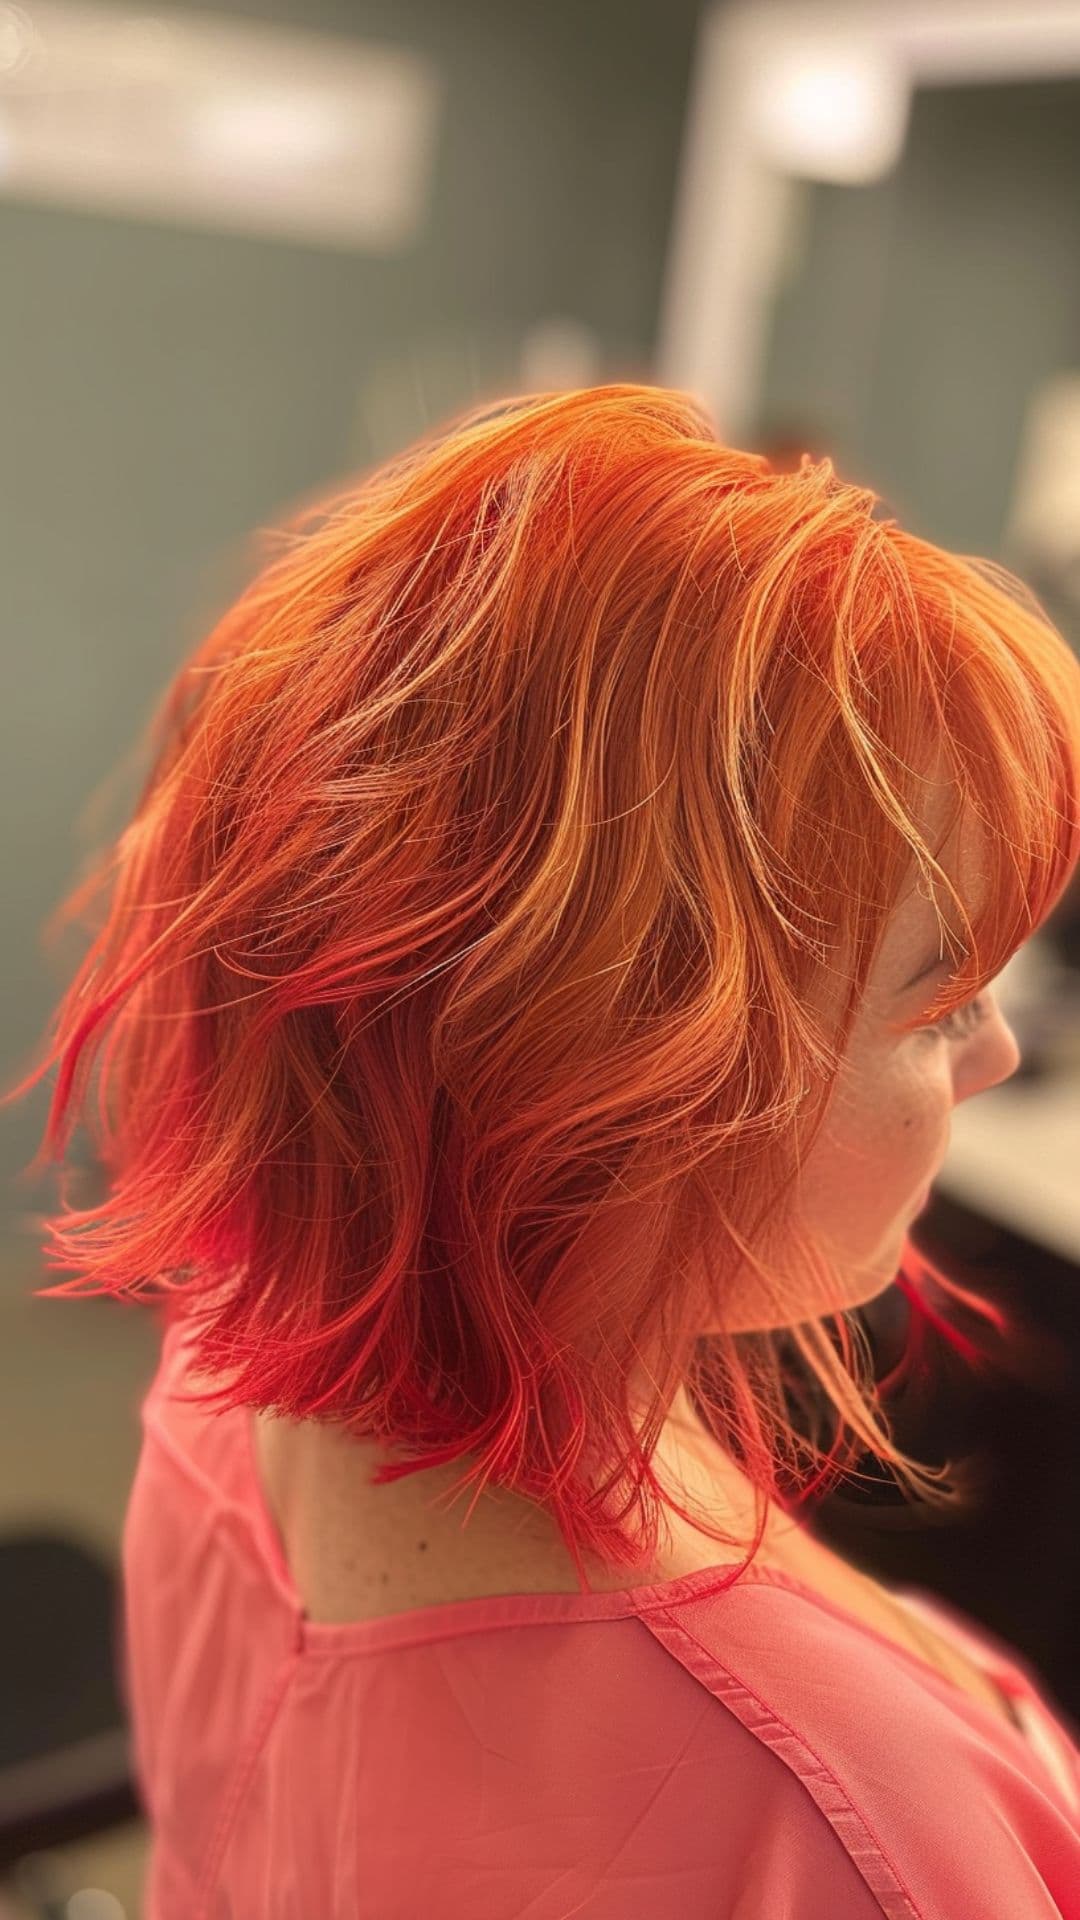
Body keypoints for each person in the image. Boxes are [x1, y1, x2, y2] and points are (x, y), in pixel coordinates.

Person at [7, 383, 1080, 1915]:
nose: (998, 1053)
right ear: (633, 1079)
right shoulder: (848, 1825)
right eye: (940, 1000)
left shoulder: (229, 1353)